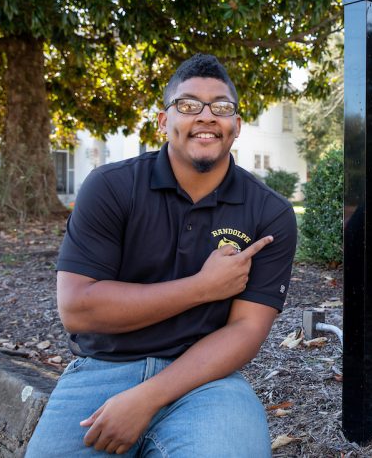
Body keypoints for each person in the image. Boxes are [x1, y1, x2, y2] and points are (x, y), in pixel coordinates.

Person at [26, 54, 297, 456]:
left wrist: (147, 398)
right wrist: (202, 288)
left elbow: (245, 331)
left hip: (207, 381)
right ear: (162, 121)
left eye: (221, 107)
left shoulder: (269, 213)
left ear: (236, 127)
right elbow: (79, 309)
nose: (206, 117)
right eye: (188, 105)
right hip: (101, 370)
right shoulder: (111, 187)